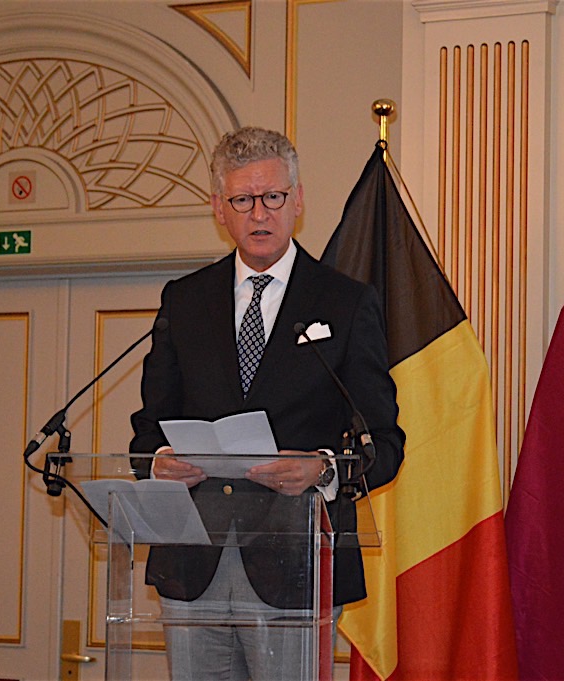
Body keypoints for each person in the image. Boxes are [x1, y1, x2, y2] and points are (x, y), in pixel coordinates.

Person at [129, 126, 405, 680]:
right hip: (194, 563)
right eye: (242, 200)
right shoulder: (184, 300)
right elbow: (148, 429)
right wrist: (158, 463)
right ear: (219, 208)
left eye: (273, 197)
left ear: (297, 200)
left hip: (297, 564)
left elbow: (385, 443)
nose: (260, 214)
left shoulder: (346, 302)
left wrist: (322, 469)